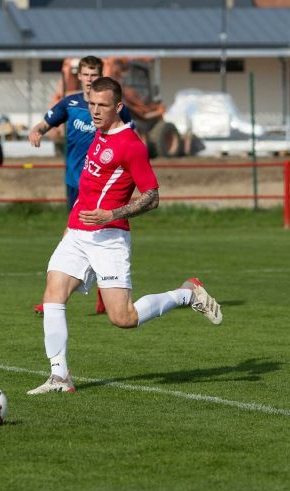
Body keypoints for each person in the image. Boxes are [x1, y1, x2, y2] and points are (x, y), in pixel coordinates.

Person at [27, 77, 222, 395]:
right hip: (78, 233)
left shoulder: (131, 145)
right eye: (91, 104)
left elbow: (152, 197)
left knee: (123, 318)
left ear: (118, 106)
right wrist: (71, 225)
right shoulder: (99, 135)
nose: (95, 111)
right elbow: (90, 188)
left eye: (102, 105)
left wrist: (112, 214)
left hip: (109, 238)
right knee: (53, 296)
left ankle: (188, 293)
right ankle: (60, 376)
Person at [29, 56, 133, 315]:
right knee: (79, 235)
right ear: (79, 76)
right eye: (85, 74)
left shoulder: (112, 109)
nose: (88, 79)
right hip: (75, 180)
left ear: (100, 75)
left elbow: (130, 140)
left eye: (93, 74)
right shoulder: (71, 103)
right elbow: (47, 121)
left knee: (77, 234)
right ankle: (67, 294)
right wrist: (37, 131)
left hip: (102, 186)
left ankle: (58, 297)